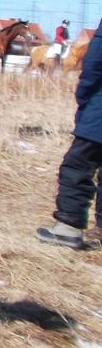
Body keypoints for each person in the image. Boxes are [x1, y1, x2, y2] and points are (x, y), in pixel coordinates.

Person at [37, 19, 102, 250]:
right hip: (58, 41)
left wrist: (85, 96)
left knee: (77, 165)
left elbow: (95, 62)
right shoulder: (59, 29)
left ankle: (68, 228)